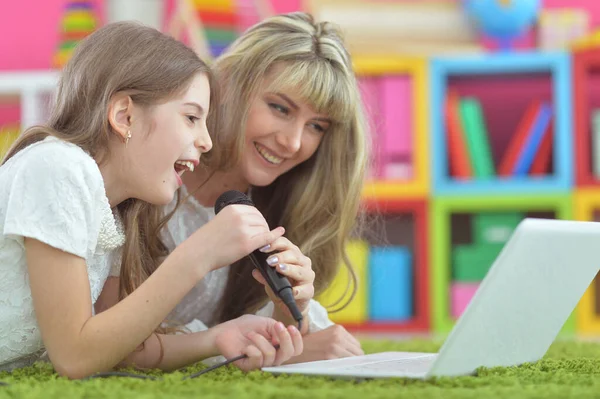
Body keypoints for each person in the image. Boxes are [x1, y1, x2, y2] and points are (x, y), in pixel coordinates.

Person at [0, 21, 302, 379]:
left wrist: (217, 337)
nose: (206, 141)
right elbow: (74, 356)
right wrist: (197, 255)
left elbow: (124, 348)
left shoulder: (114, 211)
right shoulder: (58, 167)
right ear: (124, 115)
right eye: (191, 117)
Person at [99, 12, 369, 364]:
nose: (293, 142)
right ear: (225, 84)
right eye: (279, 108)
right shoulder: (146, 181)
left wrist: (290, 312)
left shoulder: (280, 205)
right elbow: (107, 340)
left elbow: (252, 331)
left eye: (317, 126)